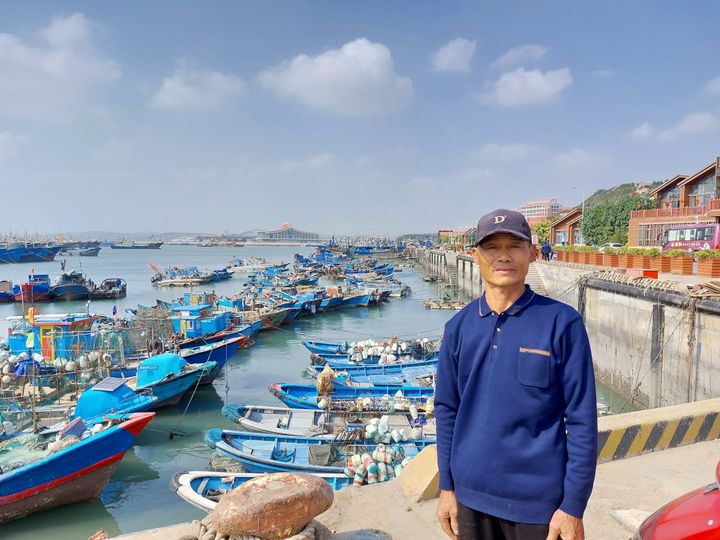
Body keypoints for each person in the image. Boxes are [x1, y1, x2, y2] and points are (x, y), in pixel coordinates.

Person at [435, 209, 597, 540]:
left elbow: (582, 421)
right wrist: (447, 487)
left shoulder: (561, 324)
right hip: (470, 497)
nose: (503, 256)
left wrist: (573, 507)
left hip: (539, 504)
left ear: (533, 254)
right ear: (475, 255)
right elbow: (446, 409)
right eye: (492, 247)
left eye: (515, 245)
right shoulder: (458, 328)